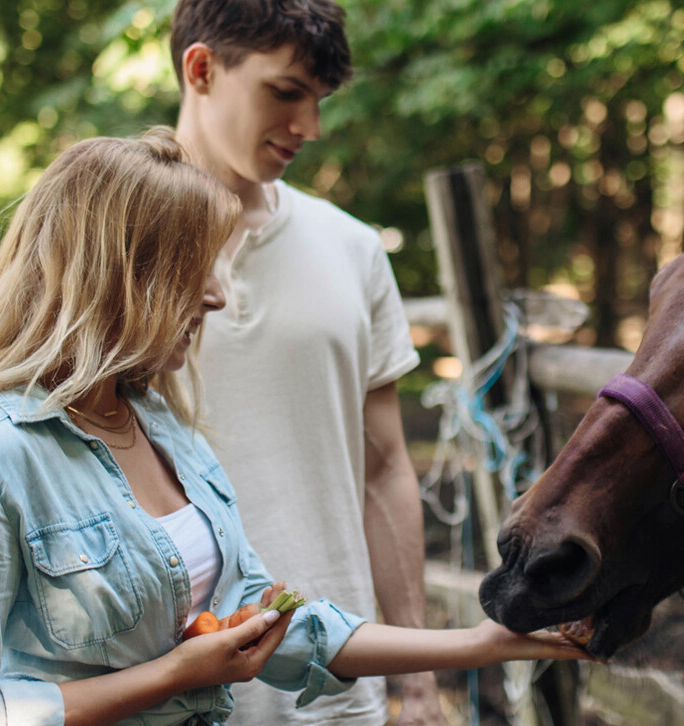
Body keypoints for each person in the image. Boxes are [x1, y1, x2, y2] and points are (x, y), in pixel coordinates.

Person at [0, 130, 587, 726]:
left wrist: (479, 643)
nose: (217, 295)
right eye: (195, 269)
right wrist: (173, 675)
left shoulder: (160, 427)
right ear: (120, 275)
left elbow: (280, 628)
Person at [167, 1, 437, 723]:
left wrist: (415, 679)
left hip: (332, 684)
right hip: (156, 688)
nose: (309, 128)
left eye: (319, 101)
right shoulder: (106, 243)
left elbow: (384, 468)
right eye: (286, 92)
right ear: (202, 68)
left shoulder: (353, 248)